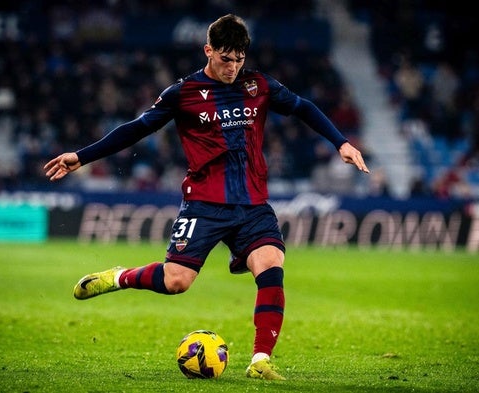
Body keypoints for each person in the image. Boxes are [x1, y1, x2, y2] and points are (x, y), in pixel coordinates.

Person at [44, 14, 369, 380]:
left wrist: (341, 142)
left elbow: (304, 107)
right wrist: (81, 156)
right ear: (208, 50)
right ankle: (119, 277)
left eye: (239, 59)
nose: (233, 67)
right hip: (204, 203)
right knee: (176, 282)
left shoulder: (258, 85)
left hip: (252, 203)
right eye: (225, 59)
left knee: (271, 265)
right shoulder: (182, 93)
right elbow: (135, 129)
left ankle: (260, 360)